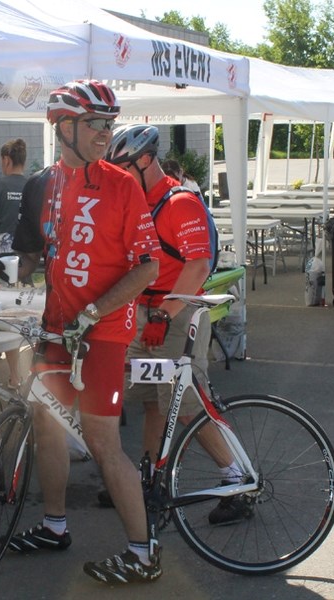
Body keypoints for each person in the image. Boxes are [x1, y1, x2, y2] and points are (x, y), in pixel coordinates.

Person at [8, 80, 164, 584]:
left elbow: (147, 269)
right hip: (56, 328)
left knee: (101, 440)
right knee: (45, 421)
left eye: (109, 124)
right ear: (64, 127)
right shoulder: (39, 186)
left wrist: (94, 311)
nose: (106, 133)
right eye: (97, 124)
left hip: (103, 330)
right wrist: (9, 269)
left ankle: (142, 554)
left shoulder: (122, 185)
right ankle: (55, 525)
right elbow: (31, 257)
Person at [103, 124, 249, 525]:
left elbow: (198, 264)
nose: (118, 177)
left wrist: (165, 312)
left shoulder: (180, 202)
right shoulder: (136, 201)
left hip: (176, 312)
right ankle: (148, 481)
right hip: (144, 311)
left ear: (146, 160)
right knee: (151, 400)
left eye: (123, 168)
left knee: (184, 407)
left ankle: (235, 480)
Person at [0, 138, 30, 391]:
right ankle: (37, 377)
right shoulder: (35, 184)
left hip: (5, 264)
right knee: (36, 319)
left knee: (10, 320)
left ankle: (14, 377)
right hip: (35, 263)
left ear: (7, 160)